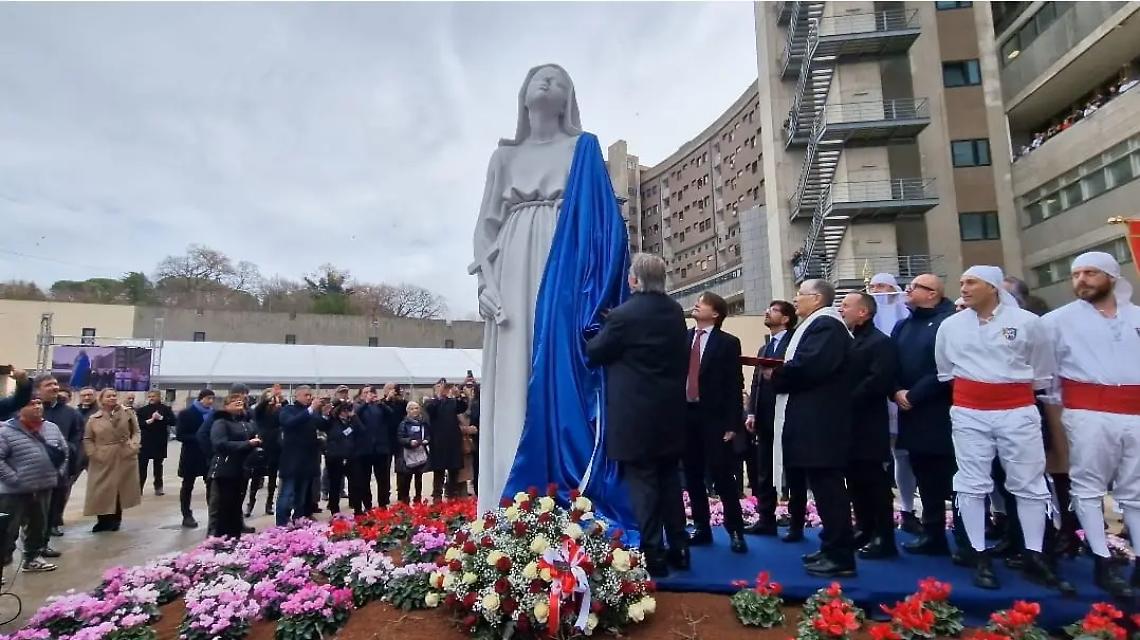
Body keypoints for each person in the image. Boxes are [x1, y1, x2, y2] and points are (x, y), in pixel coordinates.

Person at [935, 265, 1072, 594]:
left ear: (993, 287)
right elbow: (945, 369)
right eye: (962, 281)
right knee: (972, 482)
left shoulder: (1027, 323)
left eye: (971, 282)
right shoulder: (950, 326)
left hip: (1017, 410)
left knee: (1028, 483)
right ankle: (978, 555)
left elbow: (1041, 371)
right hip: (970, 411)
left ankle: (1035, 555)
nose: (963, 288)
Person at [1041, 252, 1140, 597]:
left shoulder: (1136, 318)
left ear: (1111, 277)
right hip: (1086, 413)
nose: (1081, 279)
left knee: (1135, 490)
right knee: (1087, 486)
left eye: (1090, 273)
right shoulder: (1056, 321)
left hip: (1135, 413)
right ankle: (1101, 560)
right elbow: (1046, 376)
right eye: (1076, 274)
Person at [585, 253, 690, 577]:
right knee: (670, 481)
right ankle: (680, 548)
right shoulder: (675, 312)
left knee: (643, 485)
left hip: (635, 417)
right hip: (671, 413)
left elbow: (595, 352)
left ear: (634, 280)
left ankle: (653, 553)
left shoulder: (623, 316)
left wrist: (605, 325)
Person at [768, 279, 855, 577]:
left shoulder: (826, 327)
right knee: (821, 486)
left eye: (800, 295)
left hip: (823, 422)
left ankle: (841, 554)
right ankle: (831, 545)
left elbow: (809, 367)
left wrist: (776, 373)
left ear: (816, 299)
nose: (795, 299)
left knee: (829, 488)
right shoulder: (818, 326)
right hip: (814, 419)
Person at [684, 291, 747, 554]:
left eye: (704, 302)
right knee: (693, 476)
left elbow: (735, 385)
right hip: (685, 416)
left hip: (715, 419)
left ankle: (735, 531)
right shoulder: (684, 338)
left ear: (716, 313)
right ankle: (701, 528)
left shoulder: (728, 343)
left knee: (723, 476)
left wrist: (733, 424)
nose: (697, 304)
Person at [839, 292, 898, 559]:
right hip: (849, 424)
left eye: (846, 306)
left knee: (875, 482)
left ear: (863, 312)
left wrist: (845, 400)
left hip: (869, 423)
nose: (842, 310)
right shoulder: (851, 340)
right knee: (856, 482)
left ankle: (883, 537)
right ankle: (863, 527)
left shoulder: (879, 342)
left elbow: (878, 381)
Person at [868, 273, 920, 536]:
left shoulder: (905, 318)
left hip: (908, 393)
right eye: (873, 287)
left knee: (906, 454)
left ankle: (910, 509)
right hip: (880, 394)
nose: (878, 291)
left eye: (883, 286)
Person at [743, 300, 797, 536]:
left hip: (788, 415)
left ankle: (796, 520)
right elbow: (757, 382)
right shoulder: (765, 348)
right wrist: (751, 411)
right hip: (764, 416)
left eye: (773, 310)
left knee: (793, 469)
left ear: (785, 318)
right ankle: (766, 518)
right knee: (764, 468)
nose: (767, 311)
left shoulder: (794, 342)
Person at [0, 396, 69, 575]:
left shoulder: (51, 428)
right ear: (19, 409)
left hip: (44, 487)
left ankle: (32, 559)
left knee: (38, 526)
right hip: (13, 492)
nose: (37, 407)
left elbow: (64, 452)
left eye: (39, 403)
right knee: (7, 531)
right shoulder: (6, 431)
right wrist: (15, 479)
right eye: (31, 404)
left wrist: (58, 472)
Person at [83, 388, 142, 533]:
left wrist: (134, 446)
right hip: (102, 457)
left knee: (119, 488)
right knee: (101, 489)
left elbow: (136, 431)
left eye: (114, 395)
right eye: (108, 396)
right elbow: (88, 438)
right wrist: (92, 453)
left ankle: (116, 519)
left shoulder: (127, 413)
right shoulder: (94, 418)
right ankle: (102, 520)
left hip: (124, 454)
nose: (112, 398)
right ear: (101, 399)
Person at [208, 393, 262, 538]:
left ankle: (234, 536)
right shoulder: (221, 422)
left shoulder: (246, 422)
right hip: (225, 469)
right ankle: (219, 537)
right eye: (234, 402)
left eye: (241, 402)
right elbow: (220, 444)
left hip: (241, 469)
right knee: (223, 506)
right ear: (226, 406)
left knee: (236, 505)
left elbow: (255, 433)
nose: (239, 404)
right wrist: (247, 444)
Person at [37, 376, 83, 543]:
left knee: (55, 501)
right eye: (49, 384)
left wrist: (69, 451)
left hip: (59, 465)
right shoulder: (28, 408)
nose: (55, 387)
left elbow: (77, 437)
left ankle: (47, 535)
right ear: (38, 389)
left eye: (56, 384)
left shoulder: (71, 413)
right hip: (32, 467)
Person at [275, 386, 322, 525]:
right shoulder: (288, 410)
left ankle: (299, 520)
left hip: (308, 460)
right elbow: (290, 423)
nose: (309, 398)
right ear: (297, 396)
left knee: (301, 496)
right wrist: (310, 410)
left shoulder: (312, 412)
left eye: (310, 395)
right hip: (292, 461)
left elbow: (323, 424)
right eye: (306, 395)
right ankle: (282, 523)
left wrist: (326, 413)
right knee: (287, 494)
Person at [175, 389, 213, 528]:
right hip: (191, 454)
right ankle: (186, 514)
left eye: (212, 399)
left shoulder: (213, 414)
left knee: (211, 485)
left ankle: (213, 513)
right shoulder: (187, 413)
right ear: (201, 398)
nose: (210, 402)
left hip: (207, 455)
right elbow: (180, 435)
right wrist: (199, 437)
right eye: (208, 398)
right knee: (187, 485)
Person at [425, 383, 467, 501]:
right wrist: (439, 397)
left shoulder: (453, 402)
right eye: (439, 387)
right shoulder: (431, 402)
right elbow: (430, 410)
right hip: (438, 443)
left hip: (453, 442)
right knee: (439, 472)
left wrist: (458, 395)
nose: (443, 390)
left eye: (444, 388)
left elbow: (463, 407)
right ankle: (437, 498)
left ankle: (452, 496)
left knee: (453, 470)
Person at [354, 385, 393, 512]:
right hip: (364, 450)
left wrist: (381, 403)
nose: (368, 395)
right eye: (365, 393)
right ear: (361, 395)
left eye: (371, 393)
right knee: (365, 480)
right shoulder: (358, 407)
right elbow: (355, 416)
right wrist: (366, 403)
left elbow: (390, 414)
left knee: (382, 479)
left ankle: (382, 504)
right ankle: (368, 505)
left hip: (380, 449)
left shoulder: (379, 407)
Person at [247, 388, 283, 517]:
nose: (272, 401)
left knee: (273, 478)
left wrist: (278, 401)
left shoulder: (279, 411)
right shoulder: (259, 411)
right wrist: (269, 398)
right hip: (262, 445)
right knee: (256, 477)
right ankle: (250, 504)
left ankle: (269, 504)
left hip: (275, 446)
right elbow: (260, 407)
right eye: (269, 398)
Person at [322, 400, 359, 514]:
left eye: (348, 410)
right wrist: (326, 413)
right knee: (335, 483)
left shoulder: (351, 421)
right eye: (344, 410)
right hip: (335, 456)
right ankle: (334, 509)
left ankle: (357, 507)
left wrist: (354, 417)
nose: (346, 412)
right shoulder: (332, 422)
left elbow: (361, 430)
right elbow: (324, 426)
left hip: (350, 456)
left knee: (355, 482)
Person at [135, 390, 174, 497]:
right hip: (145, 441)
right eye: (150, 396)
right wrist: (151, 420)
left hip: (159, 441)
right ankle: (139, 488)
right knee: (142, 465)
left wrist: (161, 418)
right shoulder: (142, 410)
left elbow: (173, 421)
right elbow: (139, 424)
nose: (151, 398)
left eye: (154, 396)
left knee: (158, 466)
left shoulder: (165, 409)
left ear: (159, 397)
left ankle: (158, 487)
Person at [396, 402, 430, 503]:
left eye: (416, 408)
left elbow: (428, 435)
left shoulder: (423, 423)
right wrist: (409, 441)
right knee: (407, 479)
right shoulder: (404, 423)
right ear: (408, 411)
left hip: (420, 453)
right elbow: (400, 438)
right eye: (412, 409)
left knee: (419, 479)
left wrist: (426, 440)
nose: (415, 410)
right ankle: (405, 499)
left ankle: (418, 498)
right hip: (408, 455)